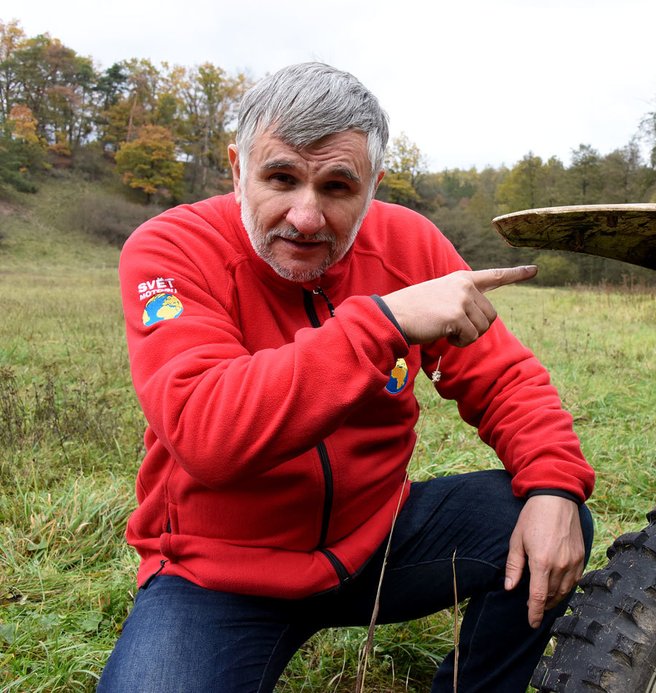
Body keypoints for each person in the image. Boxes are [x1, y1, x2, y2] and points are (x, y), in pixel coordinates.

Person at [98, 62, 594, 692]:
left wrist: (555, 484)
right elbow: (207, 432)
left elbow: (504, 377)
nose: (306, 217)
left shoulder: (410, 244)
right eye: (281, 178)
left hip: (379, 540)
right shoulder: (171, 249)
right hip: (219, 575)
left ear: (372, 185)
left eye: (336, 187)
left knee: (548, 518)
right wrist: (385, 323)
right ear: (236, 168)